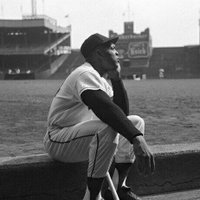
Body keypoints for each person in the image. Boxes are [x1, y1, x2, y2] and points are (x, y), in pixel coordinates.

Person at [43, 33, 155, 200]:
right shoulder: (84, 73)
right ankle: (92, 197)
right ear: (99, 53)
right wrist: (137, 138)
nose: (117, 52)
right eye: (112, 48)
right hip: (58, 138)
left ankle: (117, 188)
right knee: (107, 128)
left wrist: (116, 79)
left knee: (136, 122)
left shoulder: (101, 80)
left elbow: (121, 116)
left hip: (81, 137)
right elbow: (104, 108)